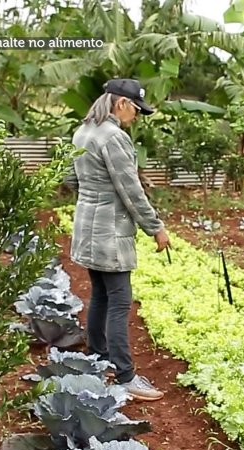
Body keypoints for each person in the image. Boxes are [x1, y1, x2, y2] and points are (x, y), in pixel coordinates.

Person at [64, 78, 171, 400]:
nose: (136, 116)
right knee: (120, 300)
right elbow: (131, 190)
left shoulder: (83, 132)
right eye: (136, 109)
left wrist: (94, 201)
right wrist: (156, 227)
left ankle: (98, 360)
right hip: (110, 230)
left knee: (100, 294)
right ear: (121, 104)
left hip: (87, 225)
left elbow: (71, 178)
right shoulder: (114, 137)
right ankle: (125, 376)